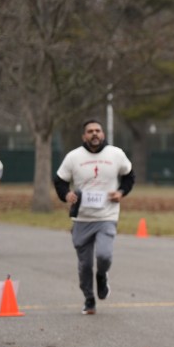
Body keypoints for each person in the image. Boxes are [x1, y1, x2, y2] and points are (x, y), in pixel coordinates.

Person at [54, 119, 135, 314]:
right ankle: (89, 298)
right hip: (82, 218)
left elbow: (129, 176)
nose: (94, 134)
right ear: (84, 136)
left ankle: (102, 275)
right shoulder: (74, 157)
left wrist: (121, 192)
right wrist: (66, 195)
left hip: (107, 215)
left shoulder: (116, 154)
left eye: (98, 130)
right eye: (90, 131)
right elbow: (60, 181)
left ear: (103, 134)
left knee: (104, 255)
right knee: (85, 265)